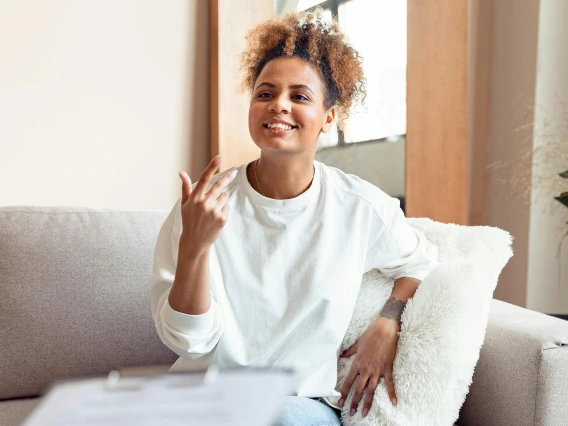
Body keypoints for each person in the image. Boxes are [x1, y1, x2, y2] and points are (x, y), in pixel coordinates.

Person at [150, 9, 439, 426]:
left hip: (296, 408)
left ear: (329, 117)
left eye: (299, 96)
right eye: (265, 93)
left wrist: (387, 322)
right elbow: (189, 343)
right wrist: (194, 247)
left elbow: (421, 261)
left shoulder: (359, 207)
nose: (278, 105)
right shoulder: (201, 208)